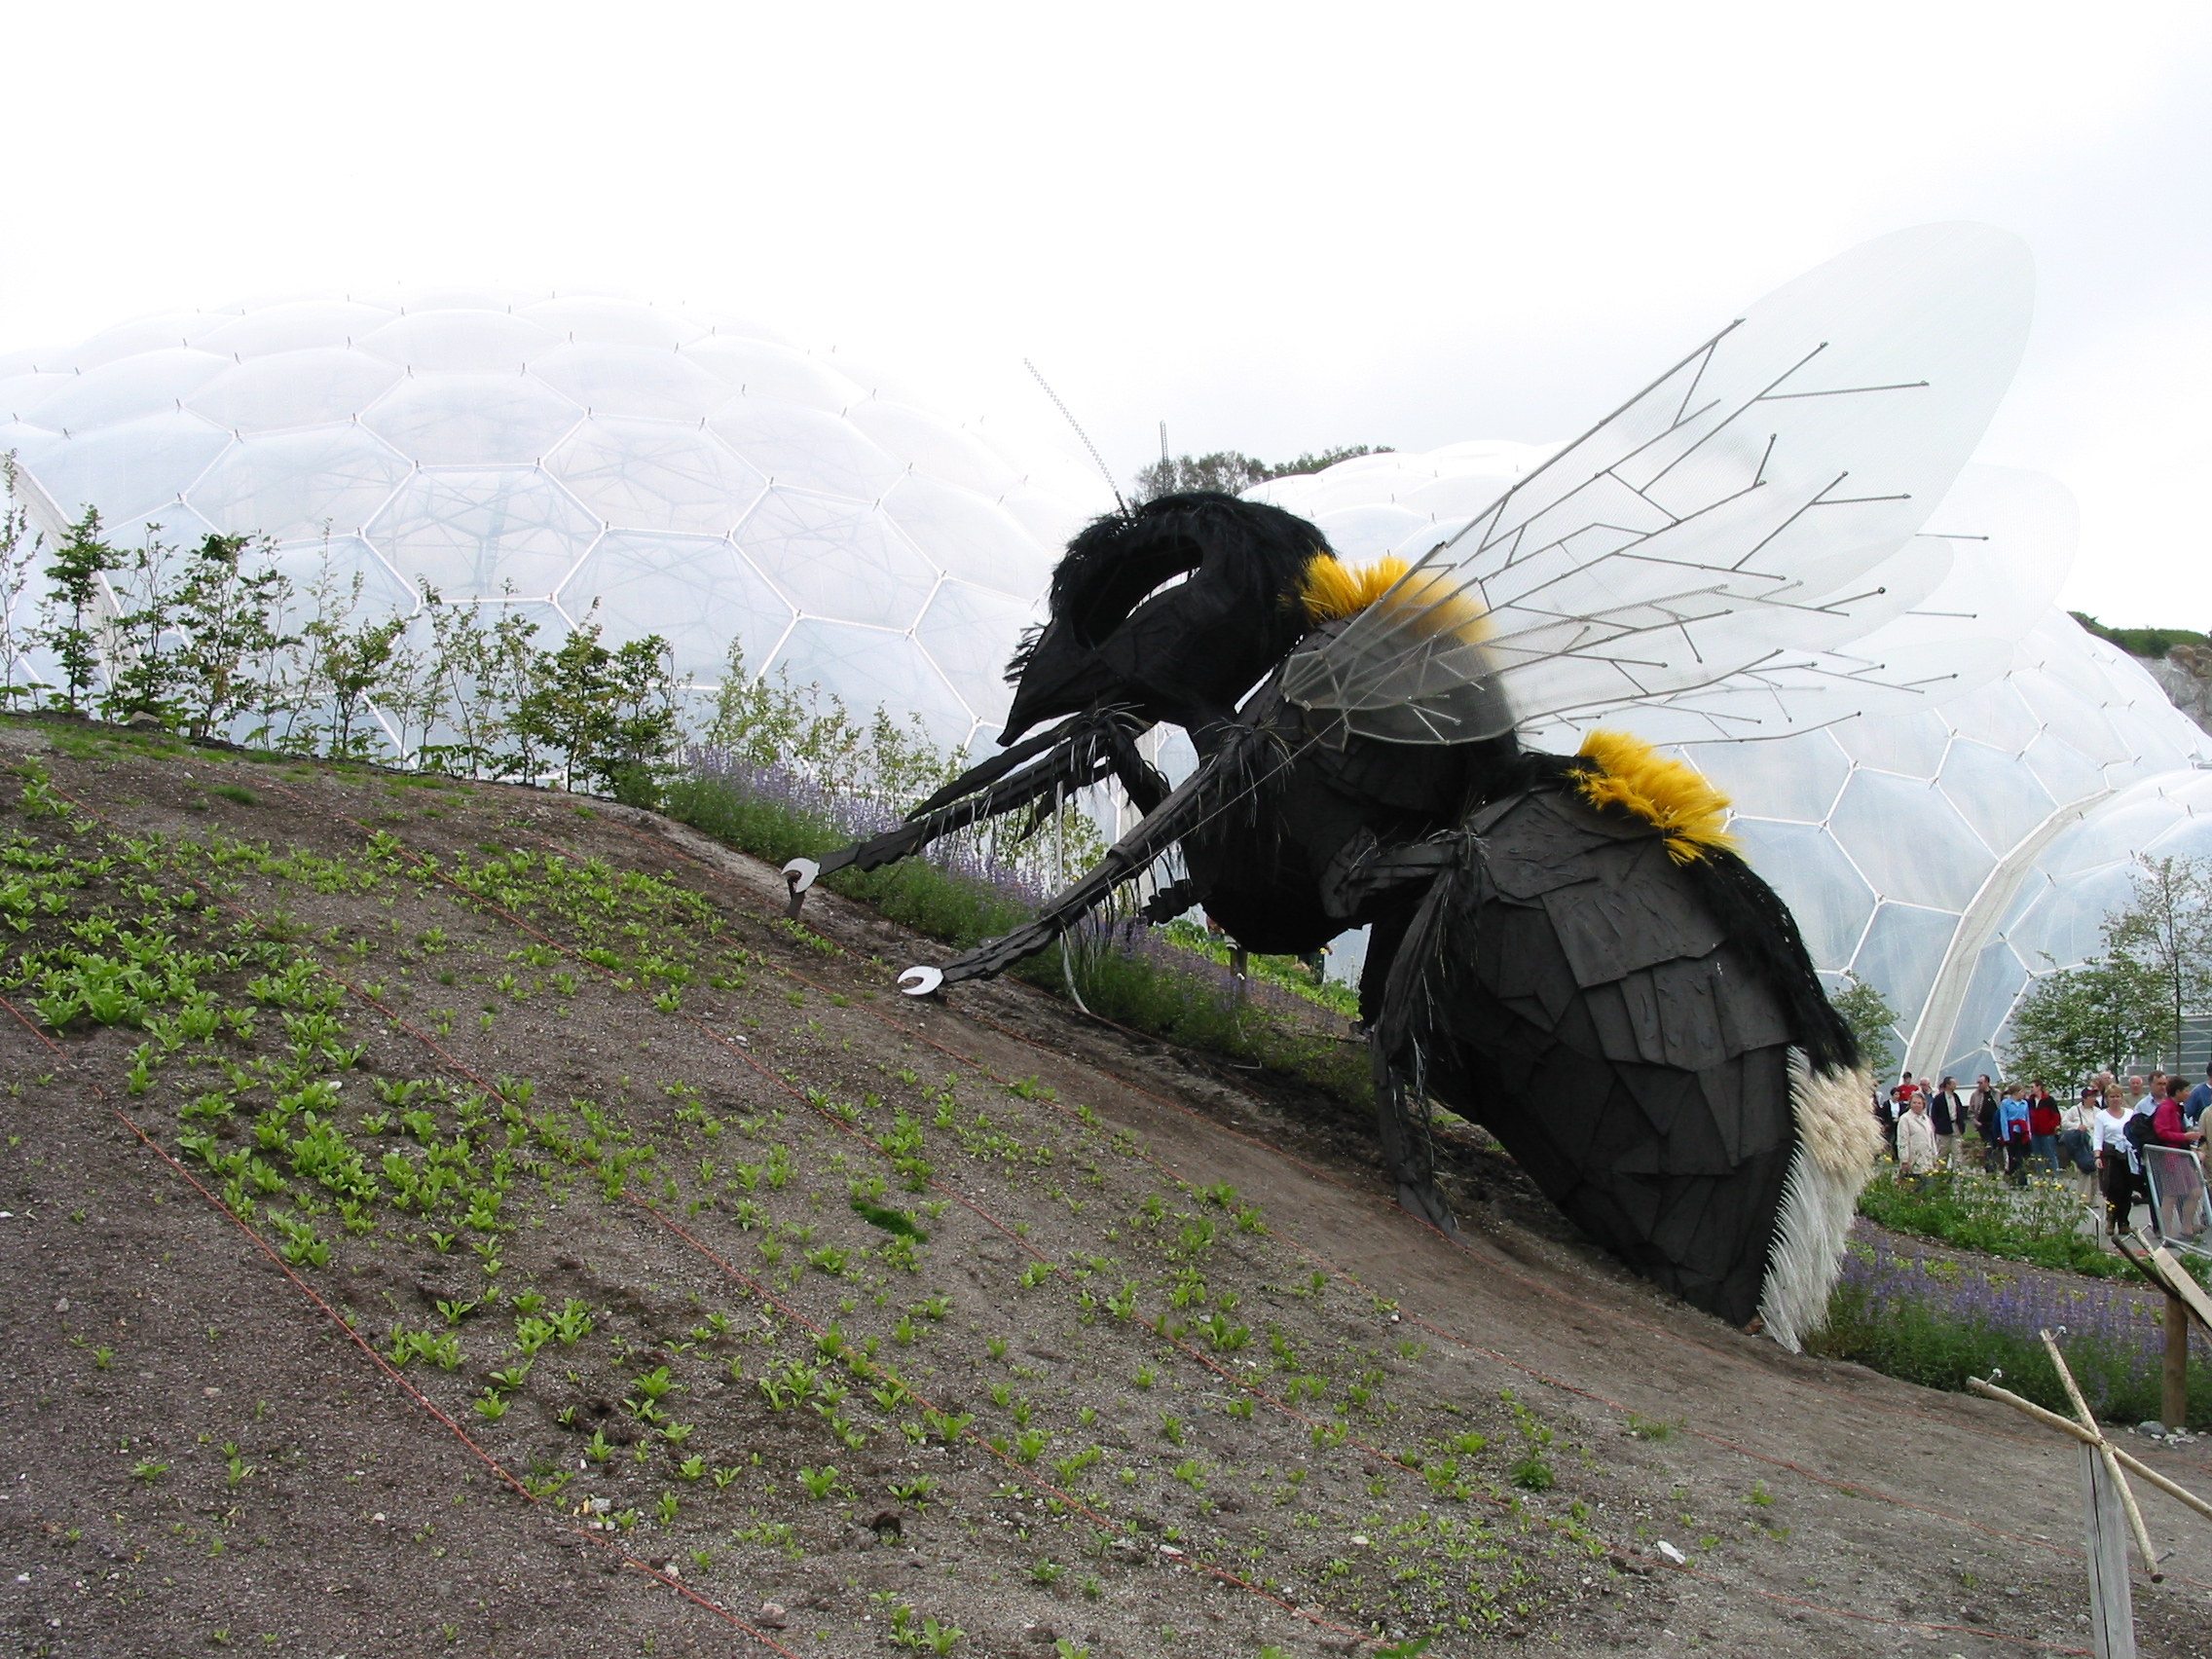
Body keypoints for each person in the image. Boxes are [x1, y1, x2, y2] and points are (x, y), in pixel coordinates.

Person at [2149, 1076, 2208, 1243]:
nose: (2189, 1094)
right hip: (2171, 1157)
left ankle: (2187, 1228)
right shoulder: (2166, 1108)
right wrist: (2184, 1136)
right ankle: (2167, 1232)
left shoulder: (2177, 1108)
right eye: (2186, 1090)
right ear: (2178, 1092)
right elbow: (2162, 1132)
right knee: (2172, 1195)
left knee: (2195, 1191)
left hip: (2181, 1155)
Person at [2097, 1086, 2140, 1235]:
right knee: (2114, 1188)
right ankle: (2111, 1219)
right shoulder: (2101, 1116)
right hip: (2110, 1154)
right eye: (2112, 1097)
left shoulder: (2130, 1113)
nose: (2115, 1100)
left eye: (2118, 1096)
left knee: (2127, 1189)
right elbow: (2098, 1137)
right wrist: (2097, 1156)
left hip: (2127, 1154)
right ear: (2107, 1099)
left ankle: (2124, 1221)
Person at [2056, 1088, 2100, 1201]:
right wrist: (2077, 1127)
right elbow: (2064, 1123)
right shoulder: (2074, 1110)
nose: (2093, 1099)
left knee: (2095, 1171)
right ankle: (2082, 1197)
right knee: (2084, 1170)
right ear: (2084, 1098)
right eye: (2091, 1097)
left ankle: (2093, 1198)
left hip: (2094, 1142)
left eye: (2094, 1097)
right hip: (2081, 1144)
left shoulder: (2097, 1111)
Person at [1895, 1091, 1937, 1183]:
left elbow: (1932, 1138)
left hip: (1927, 1160)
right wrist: (1904, 1160)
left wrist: (1935, 1156)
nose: (1917, 1105)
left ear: (1923, 1105)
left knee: (1929, 1189)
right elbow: (1902, 1140)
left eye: (1919, 1103)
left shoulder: (1927, 1119)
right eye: (1914, 1103)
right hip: (1913, 1160)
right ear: (1910, 1104)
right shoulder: (1905, 1119)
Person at [1998, 1085, 2033, 1187]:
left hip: (2022, 1132)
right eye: (2022, 1092)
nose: (2024, 1094)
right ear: (2015, 1093)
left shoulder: (2024, 1103)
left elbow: (2027, 1119)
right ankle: (2013, 1179)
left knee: (2022, 1157)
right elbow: (2003, 1120)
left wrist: (2029, 1133)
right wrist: (2006, 1136)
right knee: (2013, 1157)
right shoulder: (2005, 1104)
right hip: (2012, 1132)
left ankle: (2023, 1181)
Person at [2028, 1087, 2063, 1177]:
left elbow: (2056, 1115)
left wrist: (2050, 1126)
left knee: (2051, 1155)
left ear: (2039, 1087)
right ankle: (2041, 1176)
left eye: (2032, 1087)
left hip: (2047, 1133)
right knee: (2038, 1156)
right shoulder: (2030, 1101)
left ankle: (2055, 1175)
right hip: (2035, 1132)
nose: (2031, 1089)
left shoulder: (2049, 1100)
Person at [1928, 1077, 1961, 1170]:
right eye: (1953, 1083)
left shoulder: (1956, 1097)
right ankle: (1941, 1172)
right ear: (1948, 1085)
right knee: (1943, 1152)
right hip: (1943, 1129)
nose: (1955, 1085)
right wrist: (1939, 1125)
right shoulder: (1939, 1098)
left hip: (1955, 1126)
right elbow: (1934, 1114)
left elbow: (1960, 1111)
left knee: (1957, 1152)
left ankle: (1956, 1171)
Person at [1972, 1076, 2004, 1176]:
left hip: (1995, 1125)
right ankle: (1990, 1169)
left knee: (1997, 1146)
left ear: (1987, 1083)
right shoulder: (1976, 1095)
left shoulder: (1996, 1093)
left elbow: (2001, 1107)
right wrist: (1976, 1122)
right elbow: (1971, 1111)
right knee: (1988, 1145)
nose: (1979, 1085)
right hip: (1983, 1125)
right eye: (1978, 1083)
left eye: (1981, 1083)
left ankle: (1997, 1166)